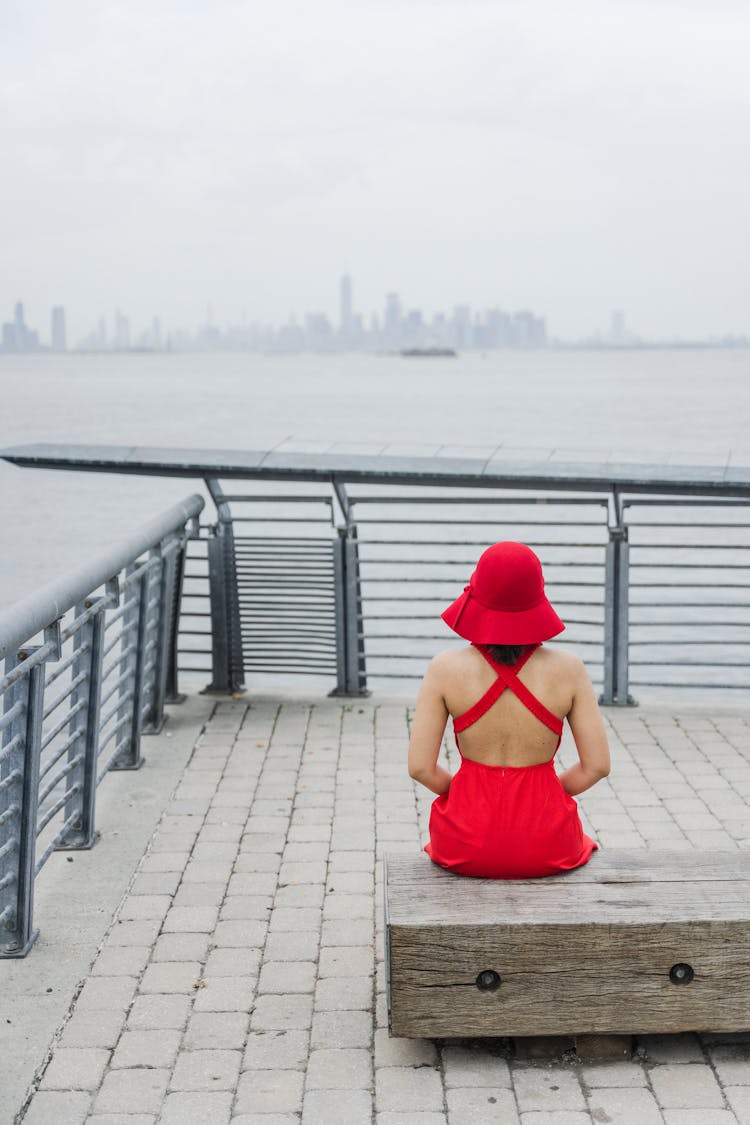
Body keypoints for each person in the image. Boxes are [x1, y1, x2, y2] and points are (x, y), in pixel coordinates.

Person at [408, 541, 610, 878]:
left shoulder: (444, 668)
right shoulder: (569, 668)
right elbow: (598, 767)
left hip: (464, 842)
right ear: (538, 598)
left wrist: (465, 792)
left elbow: (419, 768)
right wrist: (544, 792)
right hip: (549, 843)